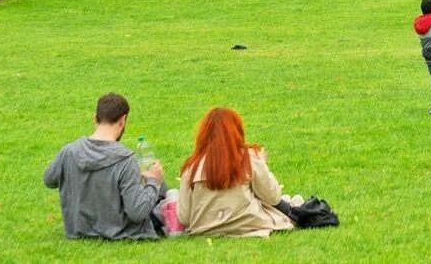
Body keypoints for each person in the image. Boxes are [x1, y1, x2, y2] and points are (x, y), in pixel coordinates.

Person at [43, 93, 167, 241]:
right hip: (119, 232)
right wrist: (154, 182)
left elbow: (49, 180)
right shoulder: (124, 159)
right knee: (162, 187)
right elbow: (137, 212)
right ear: (123, 120)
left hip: (78, 230)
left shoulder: (69, 151)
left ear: (95, 118)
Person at [175, 108, 297, 237]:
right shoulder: (249, 158)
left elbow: (184, 217)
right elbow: (272, 197)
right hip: (248, 225)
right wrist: (262, 164)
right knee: (293, 202)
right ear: (236, 132)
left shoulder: (191, 167)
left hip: (205, 229)